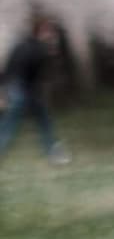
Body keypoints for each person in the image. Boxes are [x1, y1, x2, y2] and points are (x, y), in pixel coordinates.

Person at [1, 16, 73, 166]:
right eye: (50, 32)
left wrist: (3, 91)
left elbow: (7, 68)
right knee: (43, 121)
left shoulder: (19, 44)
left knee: (10, 124)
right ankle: (55, 155)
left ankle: (55, 154)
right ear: (42, 31)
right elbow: (34, 76)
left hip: (14, 87)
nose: (52, 35)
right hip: (24, 88)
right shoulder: (40, 49)